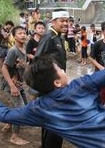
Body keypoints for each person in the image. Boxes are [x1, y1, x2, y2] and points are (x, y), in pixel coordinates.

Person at [35, 9, 69, 148]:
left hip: (58, 86)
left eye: (66, 21)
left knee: (53, 124)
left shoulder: (59, 36)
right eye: (62, 21)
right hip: (51, 88)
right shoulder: (48, 37)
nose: (65, 23)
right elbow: (37, 61)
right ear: (53, 22)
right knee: (54, 123)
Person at [1, 26, 29, 145]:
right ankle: (14, 136)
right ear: (14, 36)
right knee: (20, 109)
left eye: (24, 33)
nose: (23, 35)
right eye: (20, 33)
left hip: (19, 84)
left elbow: (22, 67)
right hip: (11, 84)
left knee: (25, 106)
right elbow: (4, 68)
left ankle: (9, 121)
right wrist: (12, 86)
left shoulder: (24, 49)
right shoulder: (13, 50)